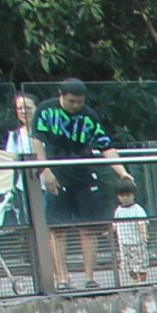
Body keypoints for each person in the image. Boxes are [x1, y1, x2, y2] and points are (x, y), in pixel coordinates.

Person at [29, 79, 135, 286]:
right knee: (58, 229)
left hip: (83, 173)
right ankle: (62, 278)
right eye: (72, 101)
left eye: (80, 101)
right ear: (61, 95)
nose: (76, 106)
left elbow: (106, 145)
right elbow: (37, 142)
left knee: (89, 228)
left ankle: (89, 278)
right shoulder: (45, 111)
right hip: (57, 171)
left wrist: (122, 172)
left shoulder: (88, 115)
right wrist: (45, 170)